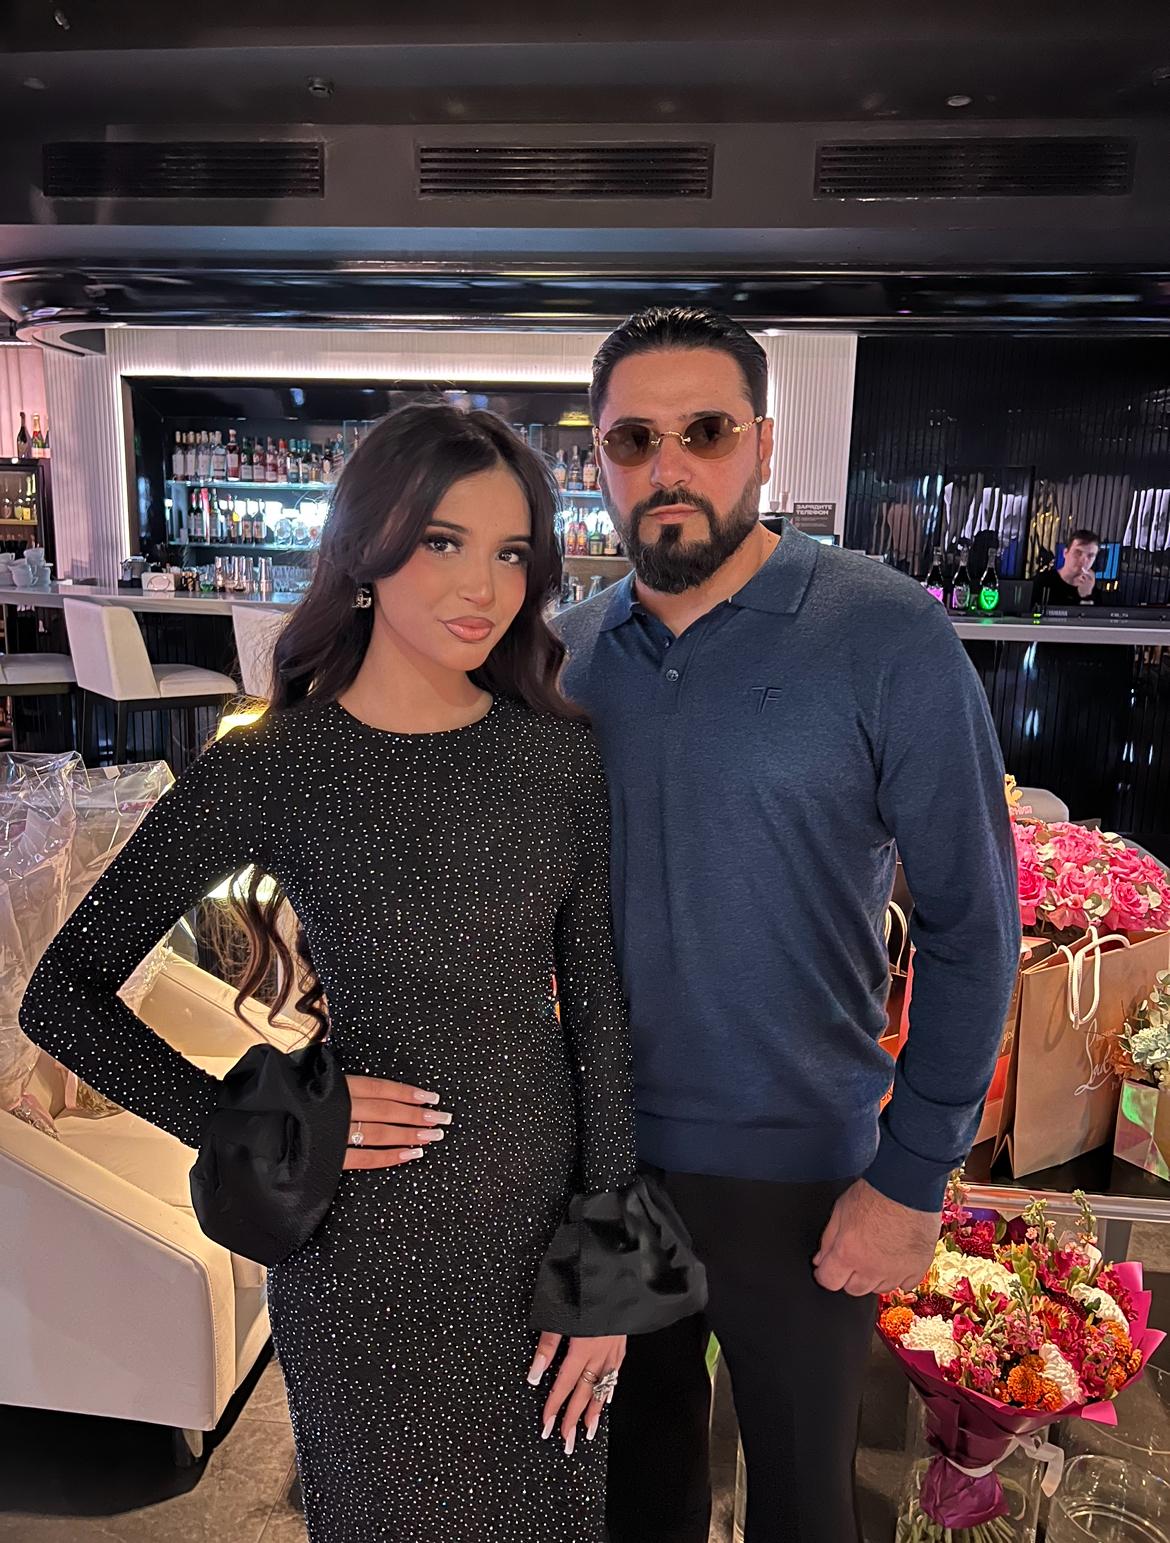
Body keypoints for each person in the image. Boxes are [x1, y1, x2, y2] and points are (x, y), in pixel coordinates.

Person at [20, 401, 705, 1543]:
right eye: (443, 541)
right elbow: (64, 994)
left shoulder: (558, 756)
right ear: (367, 550)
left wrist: (611, 1283)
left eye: (511, 553)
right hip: (359, 1257)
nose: (482, 586)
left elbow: (597, 1013)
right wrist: (262, 1122)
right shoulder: (277, 763)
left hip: (539, 1242)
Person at [552, 307, 1022, 1543]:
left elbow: (975, 925)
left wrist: (912, 1174)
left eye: (704, 432)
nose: (668, 466)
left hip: (809, 1179)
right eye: (634, 439)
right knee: (624, 1499)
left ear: (762, 445)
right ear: (598, 461)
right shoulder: (562, 659)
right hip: (604, 1168)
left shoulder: (885, 634)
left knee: (807, 1509)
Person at [1032, 527, 1102, 606]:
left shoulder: (1093, 590)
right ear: (1065, 553)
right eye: (1078, 552)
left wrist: (1086, 595)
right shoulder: (1042, 581)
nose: (1084, 560)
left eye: (1090, 556)